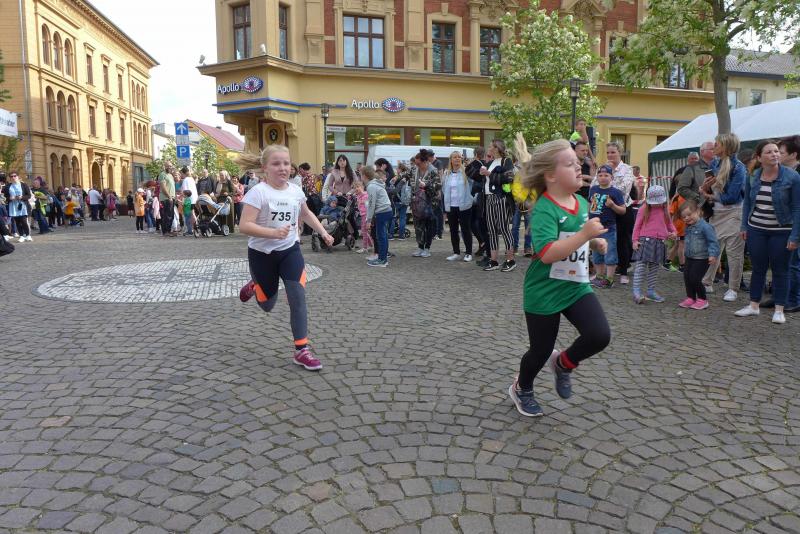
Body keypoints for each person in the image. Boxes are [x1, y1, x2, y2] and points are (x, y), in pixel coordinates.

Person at [509, 139, 610, 417]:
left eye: (578, 163)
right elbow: (547, 253)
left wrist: (593, 242)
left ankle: (564, 363)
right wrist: (585, 235)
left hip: (575, 286)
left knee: (599, 335)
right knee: (540, 351)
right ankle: (522, 387)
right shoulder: (544, 208)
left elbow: (574, 238)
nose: (579, 167)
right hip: (544, 291)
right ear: (551, 176)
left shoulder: (580, 202)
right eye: (570, 164)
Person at [237, 145, 334, 370]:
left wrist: (324, 232)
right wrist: (272, 233)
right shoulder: (258, 192)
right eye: (276, 163)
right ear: (265, 168)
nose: (283, 168)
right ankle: (255, 286)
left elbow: (306, 213)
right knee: (267, 305)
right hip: (262, 255)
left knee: (297, 296)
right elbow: (244, 225)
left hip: (290, 250)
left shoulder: (295, 191)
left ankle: (302, 350)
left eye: (286, 163)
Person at [735, 140, 800, 324]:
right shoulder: (753, 176)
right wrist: (744, 226)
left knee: (781, 270)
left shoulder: (792, 176)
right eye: (769, 152)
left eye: (777, 151)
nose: (775, 154)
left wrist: (795, 236)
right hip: (757, 229)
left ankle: (779, 310)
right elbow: (747, 203)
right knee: (758, 269)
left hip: (782, 231)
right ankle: (753, 306)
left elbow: (797, 208)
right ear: (759, 157)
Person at [699, 133, 746, 302]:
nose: (714, 147)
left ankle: (733, 288)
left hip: (734, 212)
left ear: (726, 147)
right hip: (717, 212)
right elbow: (714, 189)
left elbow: (732, 197)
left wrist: (709, 195)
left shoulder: (739, 167)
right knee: (713, 248)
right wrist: (705, 188)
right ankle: (706, 282)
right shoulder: (715, 163)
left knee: (734, 253)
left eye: (717, 144)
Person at [593, 142, 635, 284]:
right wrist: (605, 176)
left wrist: (607, 182)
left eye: (613, 152)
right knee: (604, 239)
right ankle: (602, 272)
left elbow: (623, 190)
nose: (610, 155)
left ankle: (623, 271)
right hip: (604, 209)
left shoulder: (627, 169)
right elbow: (594, 186)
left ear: (619, 153)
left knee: (623, 240)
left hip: (623, 208)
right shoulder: (603, 168)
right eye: (608, 153)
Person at [631, 185, 676, 304]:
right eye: (654, 202)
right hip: (644, 241)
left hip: (660, 242)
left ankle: (650, 291)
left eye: (659, 202)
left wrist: (674, 232)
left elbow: (669, 224)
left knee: (654, 269)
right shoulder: (643, 209)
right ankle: (636, 292)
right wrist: (635, 240)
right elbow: (637, 226)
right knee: (640, 267)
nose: (656, 204)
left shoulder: (665, 209)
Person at [480, 139, 516, 271]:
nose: (488, 148)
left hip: (501, 198)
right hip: (489, 198)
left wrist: (488, 174)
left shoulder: (506, 161)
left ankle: (510, 259)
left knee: (504, 228)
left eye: (491, 146)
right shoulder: (490, 162)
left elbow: (509, 178)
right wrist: (482, 174)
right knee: (491, 230)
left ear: (497, 148)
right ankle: (494, 260)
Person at [588, 164, 626, 288]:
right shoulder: (593, 189)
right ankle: (599, 276)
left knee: (610, 253)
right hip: (594, 228)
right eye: (600, 175)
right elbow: (590, 205)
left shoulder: (616, 192)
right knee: (596, 254)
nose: (603, 177)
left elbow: (623, 210)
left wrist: (612, 206)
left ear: (611, 177)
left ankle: (609, 279)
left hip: (608, 228)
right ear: (597, 177)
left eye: (606, 175)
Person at [678, 200, 719, 310]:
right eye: (684, 217)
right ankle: (691, 297)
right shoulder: (688, 227)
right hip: (690, 257)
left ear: (697, 211)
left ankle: (702, 299)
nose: (687, 218)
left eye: (689, 214)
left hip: (702, 258)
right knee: (687, 277)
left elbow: (713, 242)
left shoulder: (705, 227)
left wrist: (713, 254)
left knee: (695, 278)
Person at [778, 136, 800, 313]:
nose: (777, 155)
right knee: (780, 261)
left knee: (793, 263)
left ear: (793, 154)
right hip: (782, 223)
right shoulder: (781, 171)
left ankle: (794, 299)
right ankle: (780, 297)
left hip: (795, 224)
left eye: (781, 153)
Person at [442, 151, 474, 262]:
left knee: (466, 229)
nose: (457, 159)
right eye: (455, 157)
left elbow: (473, 183)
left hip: (464, 205)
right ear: (451, 160)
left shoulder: (466, 172)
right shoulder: (447, 174)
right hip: (451, 206)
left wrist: (470, 198)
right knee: (453, 230)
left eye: (459, 157)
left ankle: (468, 253)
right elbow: (444, 188)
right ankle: (456, 252)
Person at [411, 149, 441, 258]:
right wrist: (397, 178)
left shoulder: (433, 170)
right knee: (418, 226)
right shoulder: (415, 169)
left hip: (429, 203)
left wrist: (426, 185)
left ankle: (427, 248)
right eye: (416, 163)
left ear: (425, 162)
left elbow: (438, 185)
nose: (417, 165)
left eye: (418, 163)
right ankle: (420, 247)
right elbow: (406, 174)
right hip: (417, 203)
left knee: (428, 226)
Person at [363, 166, 393, 267]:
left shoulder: (371, 186)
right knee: (383, 236)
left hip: (382, 212)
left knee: (381, 237)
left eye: (361, 175)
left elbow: (372, 204)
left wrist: (368, 220)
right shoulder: (376, 184)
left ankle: (382, 260)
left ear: (364, 176)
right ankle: (383, 257)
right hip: (387, 210)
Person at [466, 147, 490, 262]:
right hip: (484, 196)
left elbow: (469, 174)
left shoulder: (474, 165)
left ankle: (483, 243)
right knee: (480, 222)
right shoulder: (487, 164)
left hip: (475, 197)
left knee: (473, 222)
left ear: (475, 154)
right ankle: (483, 244)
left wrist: (470, 163)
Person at [2, 171, 33, 242]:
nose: (13, 177)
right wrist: (10, 198)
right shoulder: (8, 186)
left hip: (23, 205)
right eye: (11, 176)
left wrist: (22, 197)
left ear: (18, 176)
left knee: (24, 221)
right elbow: (5, 197)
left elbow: (29, 195)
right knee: (17, 222)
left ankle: (28, 235)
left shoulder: (24, 185)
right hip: (13, 206)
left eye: (14, 176)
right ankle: (21, 236)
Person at [353, 181, 372, 254]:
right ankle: (370, 245)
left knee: (364, 231)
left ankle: (365, 247)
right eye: (355, 188)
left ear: (362, 187)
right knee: (365, 231)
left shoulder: (365, 195)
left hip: (366, 214)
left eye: (358, 187)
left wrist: (361, 200)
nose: (356, 189)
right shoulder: (358, 195)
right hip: (362, 214)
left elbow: (367, 204)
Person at [159, 162, 176, 236]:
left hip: (171, 198)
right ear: (165, 166)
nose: (169, 167)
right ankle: (165, 231)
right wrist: (169, 196)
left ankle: (169, 230)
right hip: (165, 198)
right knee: (166, 215)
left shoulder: (170, 175)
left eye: (171, 166)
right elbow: (163, 188)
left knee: (171, 215)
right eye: (168, 166)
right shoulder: (162, 174)